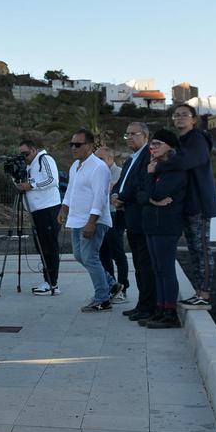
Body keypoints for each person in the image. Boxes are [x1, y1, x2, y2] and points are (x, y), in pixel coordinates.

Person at [156, 104, 216, 310]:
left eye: (185, 115)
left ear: (194, 119)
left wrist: (159, 165)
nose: (180, 118)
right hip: (188, 204)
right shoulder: (183, 141)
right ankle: (199, 292)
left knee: (202, 249)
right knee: (194, 250)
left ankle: (205, 294)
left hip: (199, 203)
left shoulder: (197, 139)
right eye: (176, 115)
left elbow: (187, 161)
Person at [57, 129, 122, 312]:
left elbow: (100, 197)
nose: (73, 148)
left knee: (90, 257)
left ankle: (102, 298)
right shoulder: (75, 166)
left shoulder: (98, 167)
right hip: (77, 219)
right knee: (80, 256)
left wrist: (92, 222)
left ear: (90, 146)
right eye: (72, 144)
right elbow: (71, 191)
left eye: (78, 144)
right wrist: (64, 208)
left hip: (93, 220)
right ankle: (111, 285)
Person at [137, 129, 188, 329]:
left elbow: (158, 193)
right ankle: (160, 309)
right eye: (152, 143)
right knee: (157, 270)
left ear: (170, 146)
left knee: (166, 270)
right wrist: (151, 199)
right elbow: (141, 194)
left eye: (158, 143)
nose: (153, 147)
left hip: (166, 226)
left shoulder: (176, 170)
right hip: (151, 224)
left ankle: (170, 312)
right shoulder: (153, 167)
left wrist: (151, 193)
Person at [113, 122, 157, 322]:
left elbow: (140, 183)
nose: (129, 137)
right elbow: (121, 182)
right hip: (130, 218)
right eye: (127, 134)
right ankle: (142, 304)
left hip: (142, 218)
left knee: (145, 265)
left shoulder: (148, 155)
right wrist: (115, 195)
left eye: (133, 134)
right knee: (138, 265)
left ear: (145, 136)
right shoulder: (131, 159)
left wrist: (122, 197)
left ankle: (149, 306)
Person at [16, 140, 62, 295]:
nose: (24, 157)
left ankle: (52, 283)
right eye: (21, 154)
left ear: (34, 150)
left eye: (26, 154)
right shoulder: (29, 166)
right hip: (36, 210)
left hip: (48, 209)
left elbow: (52, 180)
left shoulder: (44, 159)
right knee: (42, 247)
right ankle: (48, 280)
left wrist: (31, 185)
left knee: (49, 246)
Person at [96, 146, 130, 302]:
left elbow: (109, 191)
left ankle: (123, 287)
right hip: (101, 215)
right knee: (103, 252)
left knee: (117, 252)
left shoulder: (120, 172)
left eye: (101, 159)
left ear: (110, 159)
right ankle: (112, 287)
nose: (98, 162)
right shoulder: (97, 172)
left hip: (115, 215)